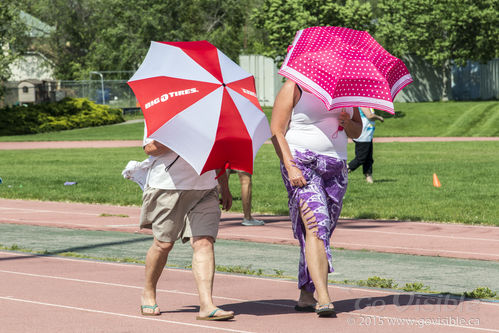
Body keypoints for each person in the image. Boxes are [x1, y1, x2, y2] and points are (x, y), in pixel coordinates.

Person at [270, 80, 362, 317]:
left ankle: (306, 294)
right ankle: (324, 296)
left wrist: (346, 122)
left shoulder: (348, 91)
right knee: (316, 225)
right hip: (302, 162)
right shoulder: (295, 87)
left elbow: (357, 131)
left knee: (321, 233)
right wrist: (290, 167)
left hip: (336, 167)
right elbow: (276, 131)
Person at [139, 125, 234, 321]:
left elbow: (217, 152)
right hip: (169, 186)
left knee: (204, 242)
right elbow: (150, 148)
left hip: (206, 187)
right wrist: (181, 135)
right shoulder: (163, 111)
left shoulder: (208, 116)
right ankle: (148, 291)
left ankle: (206, 304)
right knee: (163, 244)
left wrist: (224, 185)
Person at [348, 107, 384, 183]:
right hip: (363, 135)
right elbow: (369, 116)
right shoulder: (363, 102)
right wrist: (379, 117)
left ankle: (369, 177)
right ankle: (344, 170)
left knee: (368, 158)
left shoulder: (368, 104)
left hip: (368, 135)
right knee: (361, 158)